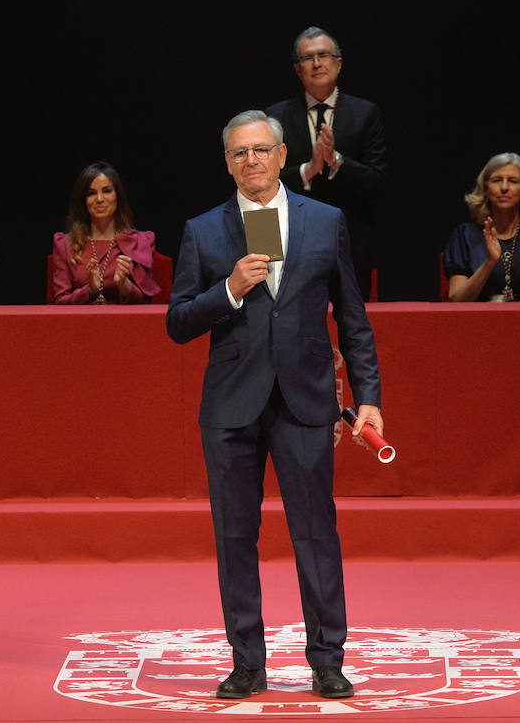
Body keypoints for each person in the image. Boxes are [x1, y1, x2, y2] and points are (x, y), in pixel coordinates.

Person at [166, 110, 384, 702]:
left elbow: (354, 320)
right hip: (231, 406)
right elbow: (178, 322)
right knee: (235, 537)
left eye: (261, 150)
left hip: (305, 400)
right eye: (239, 153)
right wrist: (230, 289)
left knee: (315, 533)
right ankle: (247, 663)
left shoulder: (326, 221)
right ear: (228, 163)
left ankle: (327, 661)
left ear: (283, 155)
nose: (251, 161)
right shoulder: (204, 230)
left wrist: (368, 398)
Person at [266, 27, 387, 301]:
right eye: (308, 58)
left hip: (352, 246)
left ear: (339, 63)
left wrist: (336, 161)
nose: (317, 63)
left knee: (350, 334)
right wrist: (307, 170)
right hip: (291, 247)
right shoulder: (275, 116)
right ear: (298, 69)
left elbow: (377, 182)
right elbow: (263, 183)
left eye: (324, 55)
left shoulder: (365, 113)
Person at [444, 152, 520, 302]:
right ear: (486, 190)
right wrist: (489, 263)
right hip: (479, 321)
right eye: (497, 180)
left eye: (513, 181)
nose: (504, 187)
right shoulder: (465, 235)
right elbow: (455, 301)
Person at [50, 162, 161, 304]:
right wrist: (89, 290)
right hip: (80, 323)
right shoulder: (64, 244)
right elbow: (59, 302)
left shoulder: (140, 242)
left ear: (117, 196)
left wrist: (124, 285)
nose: (100, 199)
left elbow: (146, 302)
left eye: (107, 191)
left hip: (126, 323)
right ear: (83, 201)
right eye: (91, 193)